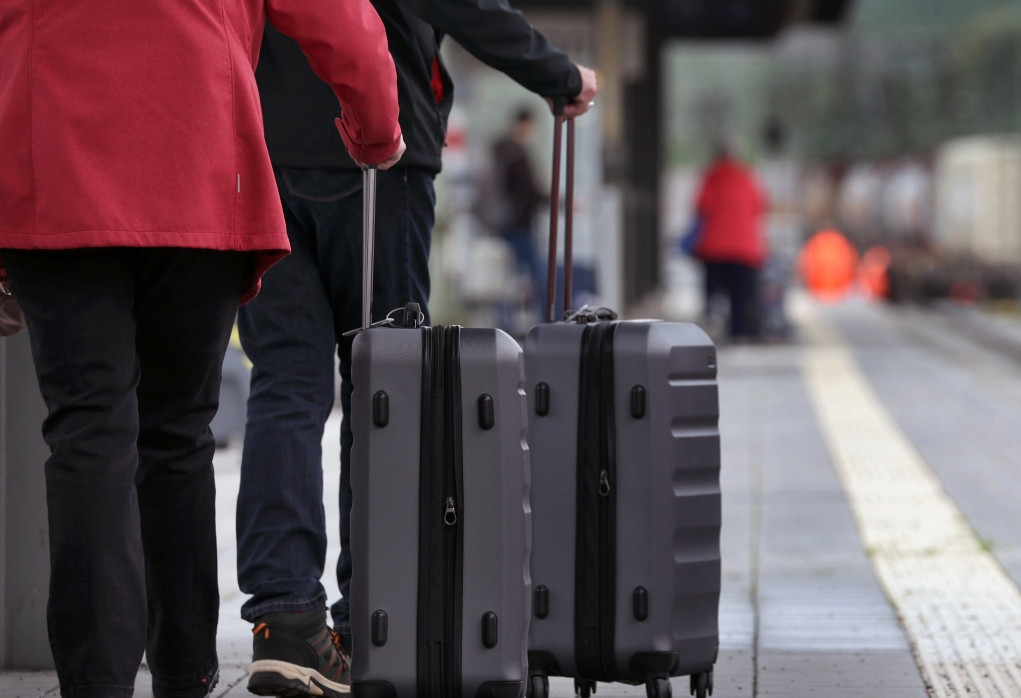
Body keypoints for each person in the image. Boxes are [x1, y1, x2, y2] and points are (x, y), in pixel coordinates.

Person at [0, 0, 404, 696]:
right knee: (177, 433)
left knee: (88, 429)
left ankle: (95, 682)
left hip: (55, 155)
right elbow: (339, 18)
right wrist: (376, 128)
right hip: (198, 156)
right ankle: (184, 672)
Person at [237, 2, 597, 695]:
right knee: (387, 387)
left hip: (264, 150)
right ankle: (376, 617)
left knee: (283, 381)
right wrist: (558, 75)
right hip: (376, 148)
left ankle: (283, 621)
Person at [691, 146, 769, 340]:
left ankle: (710, 328)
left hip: (715, 248)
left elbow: (701, 205)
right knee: (740, 295)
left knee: (712, 292)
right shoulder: (747, 176)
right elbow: (760, 205)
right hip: (744, 248)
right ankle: (739, 332)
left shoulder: (712, 176)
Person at [487, 107, 550, 329]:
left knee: (507, 279)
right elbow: (530, 191)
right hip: (519, 225)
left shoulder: (500, 151)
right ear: (525, 124)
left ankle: (503, 325)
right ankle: (545, 324)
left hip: (503, 223)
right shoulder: (517, 154)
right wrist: (559, 202)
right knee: (538, 277)